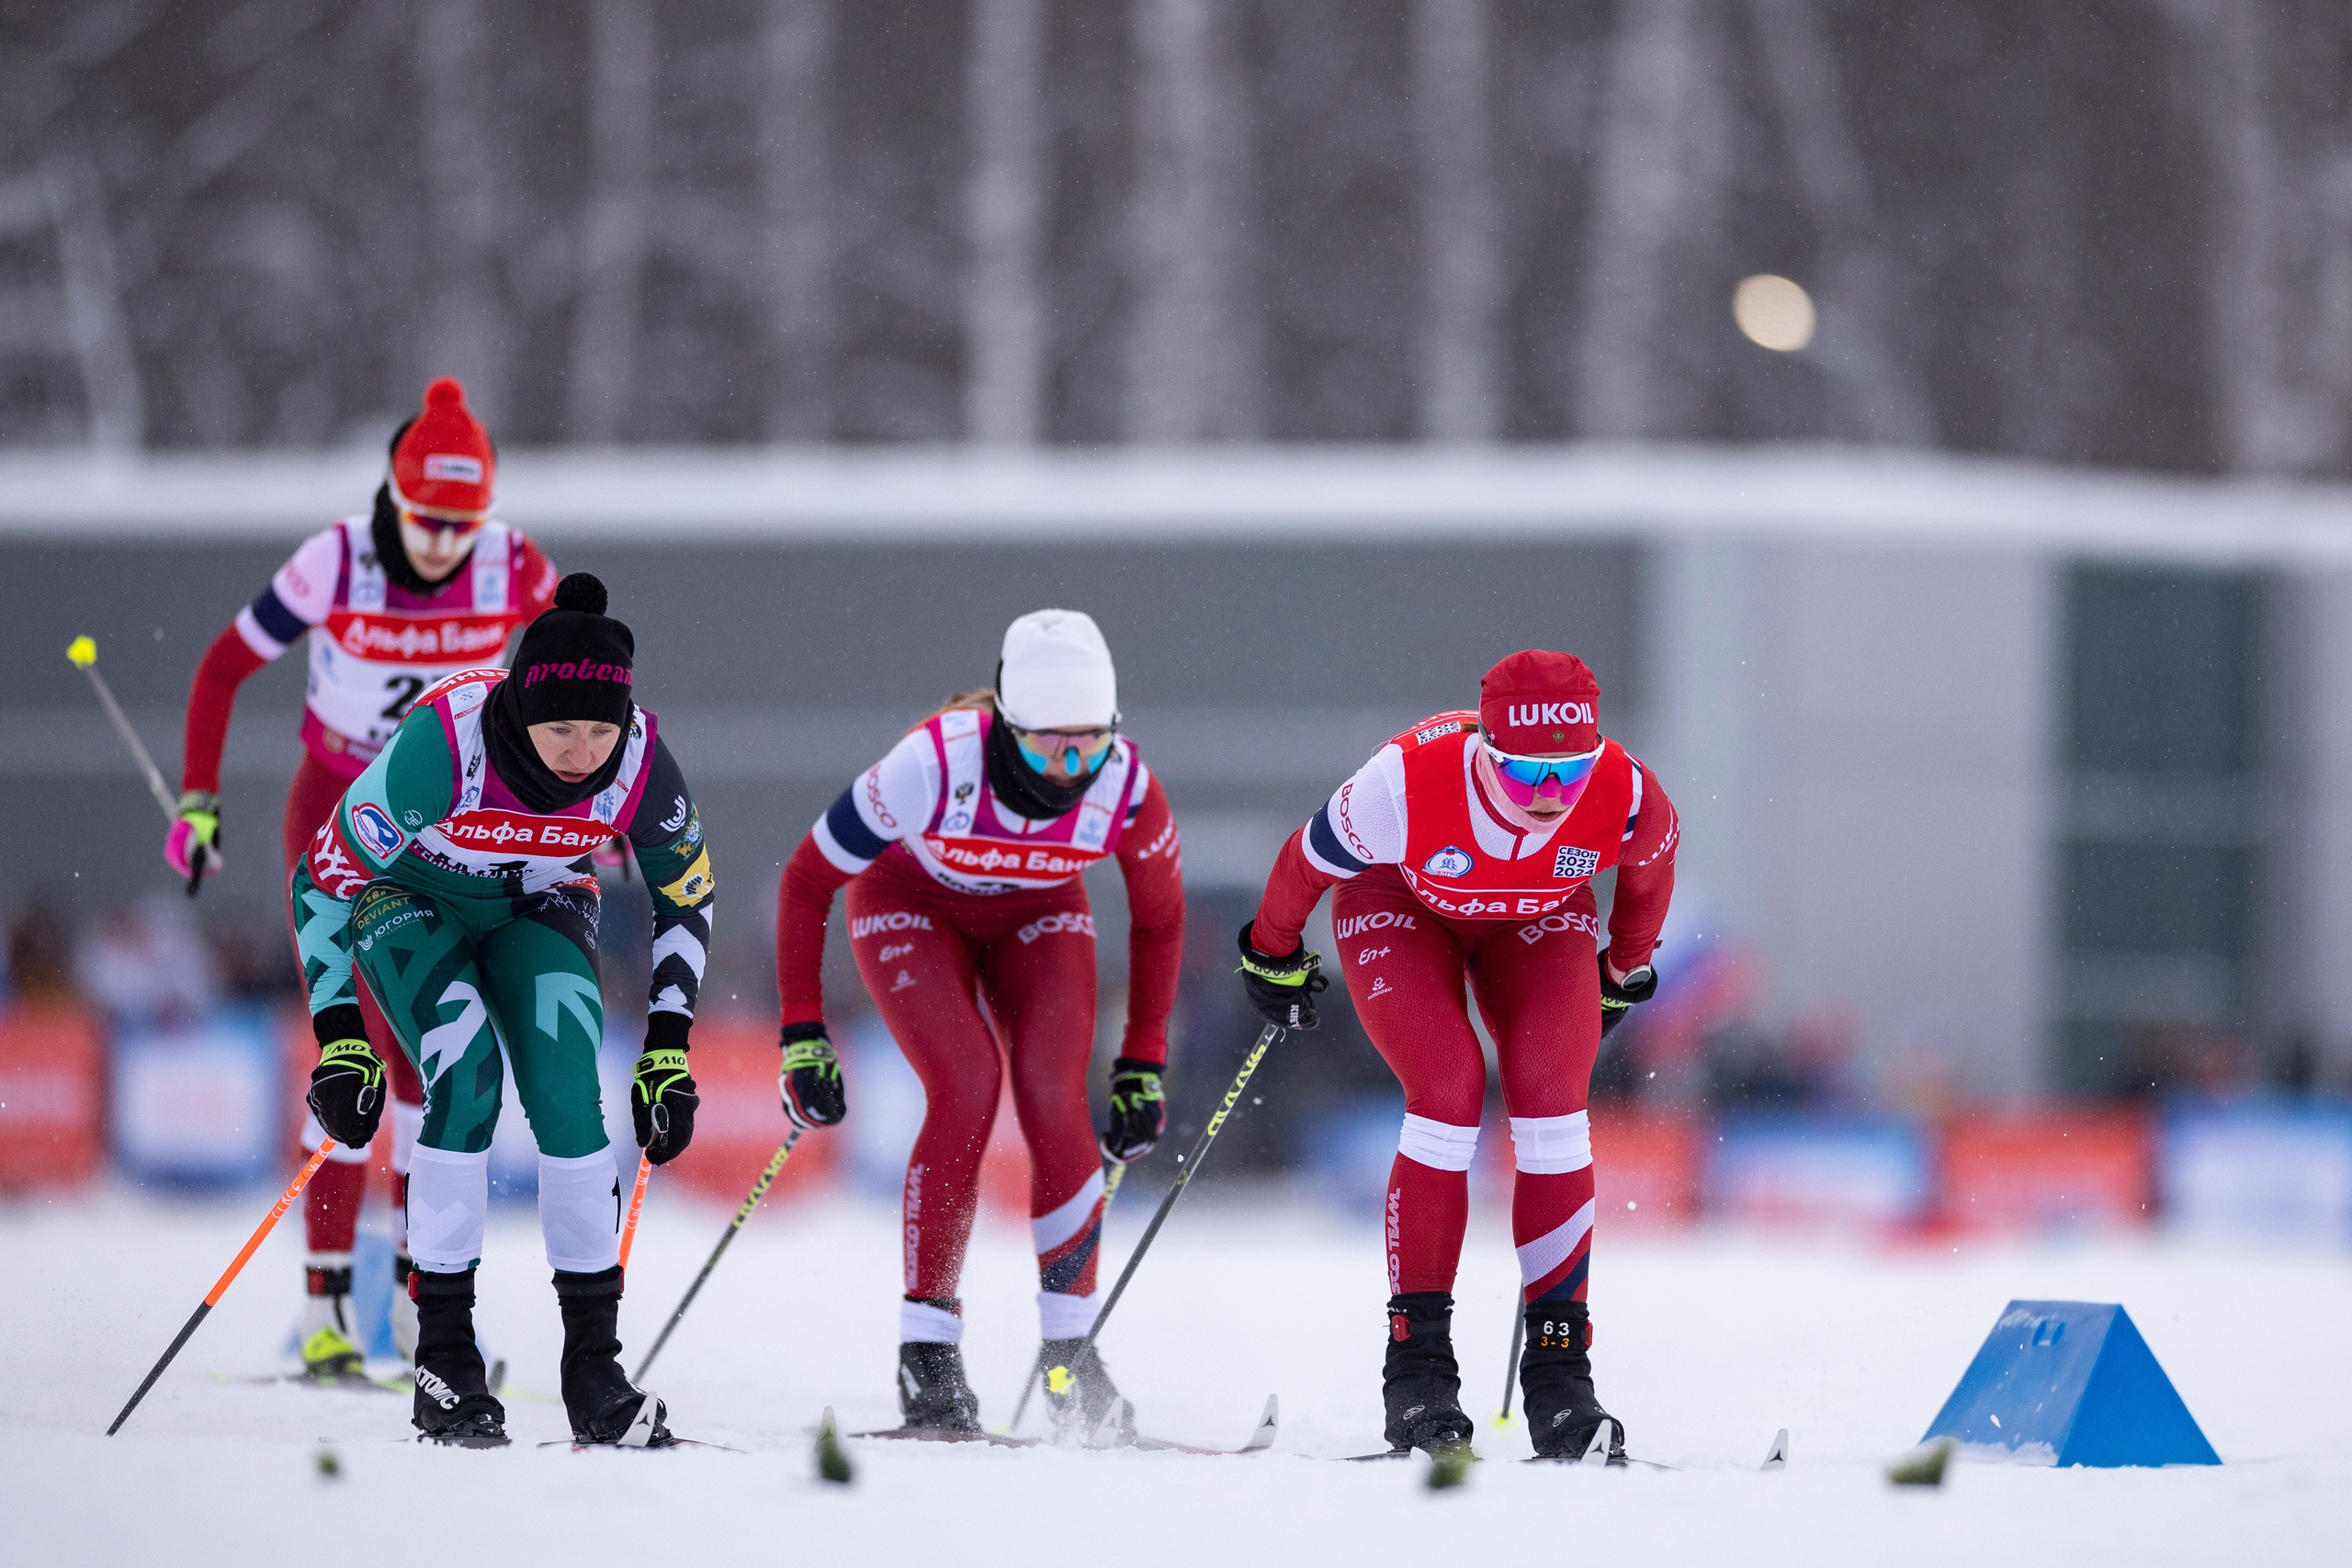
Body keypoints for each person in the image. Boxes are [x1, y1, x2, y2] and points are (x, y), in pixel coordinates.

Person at [169, 378, 557, 1383]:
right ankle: (328, 1312)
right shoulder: (332, 560)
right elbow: (220, 667)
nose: (443, 544)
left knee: (435, 1068)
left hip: (444, 830)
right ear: (394, 495)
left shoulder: (513, 564)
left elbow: (574, 682)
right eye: (429, 521)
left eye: (463, 524)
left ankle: (421, 1316)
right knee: (356, 1060)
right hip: (338, 814)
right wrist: (199, 802)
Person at [289, 572, 714, 1448]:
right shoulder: (445, 746)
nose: (581, 751)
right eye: (561, 728)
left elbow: (689, 895)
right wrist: (340, 1039)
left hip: (536, 901)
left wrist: (668, 1045)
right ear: (520, 706)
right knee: (466, 1068)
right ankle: (445, 1357)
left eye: (601, 731)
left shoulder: (639, 759)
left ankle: (594, 1367)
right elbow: (320, 883)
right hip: (412, 896)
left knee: (568, 1088)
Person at [1235, 649, 1676, 1459]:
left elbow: (1649, 873)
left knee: (1552, 1098)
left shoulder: (1629, 792)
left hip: (1536, 919)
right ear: (1485, 751)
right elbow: (1302, 863)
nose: (1549, 797)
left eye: (1570, 774)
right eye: (1523, 775)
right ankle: (1420, 1378)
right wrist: (1272, 954)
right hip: (1399, 899)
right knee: (1447, 1088)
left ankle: (1560, 1379)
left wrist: (1624, 966)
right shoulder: (1400, 786)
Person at [774, 610, 1184, 1439]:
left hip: (1040, 910)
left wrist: (1142, 1058)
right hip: (912, 903)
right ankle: (928, 1354)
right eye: (1045, 748)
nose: (1070, 770)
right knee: (967, 1084)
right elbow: (807, 880)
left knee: (1052, 1092)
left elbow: (1161, 920)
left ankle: (1071, 1352)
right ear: (1006, 724)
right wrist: (801, 1033)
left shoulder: (1127, 784)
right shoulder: (932, 765)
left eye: (1089, 744)